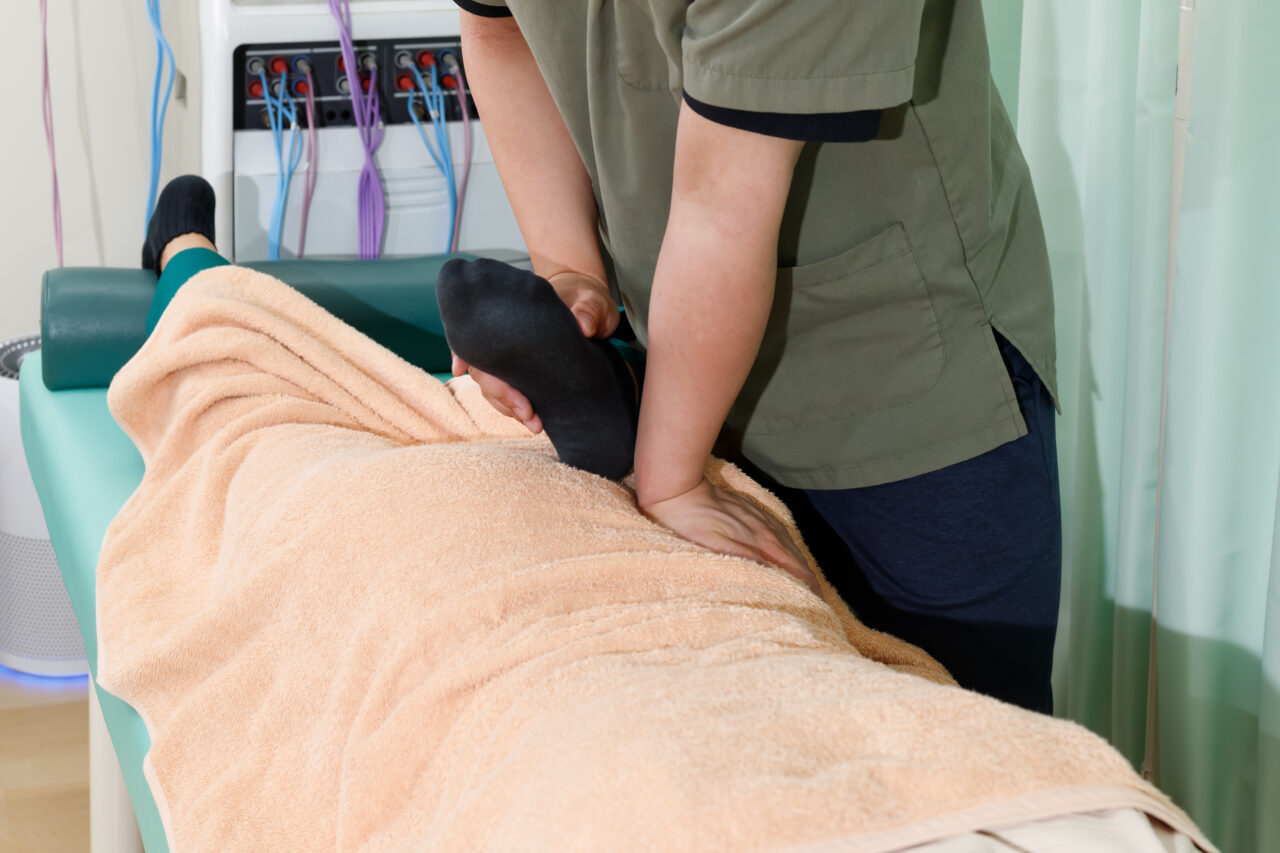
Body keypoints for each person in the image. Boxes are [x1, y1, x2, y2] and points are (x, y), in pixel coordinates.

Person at [446, 0, 1063, 713]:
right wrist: (567, 269)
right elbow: (499, 28)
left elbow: (721, 206)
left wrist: (668, 479)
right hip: (673, 351)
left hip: (901, 380)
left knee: (965, 736)